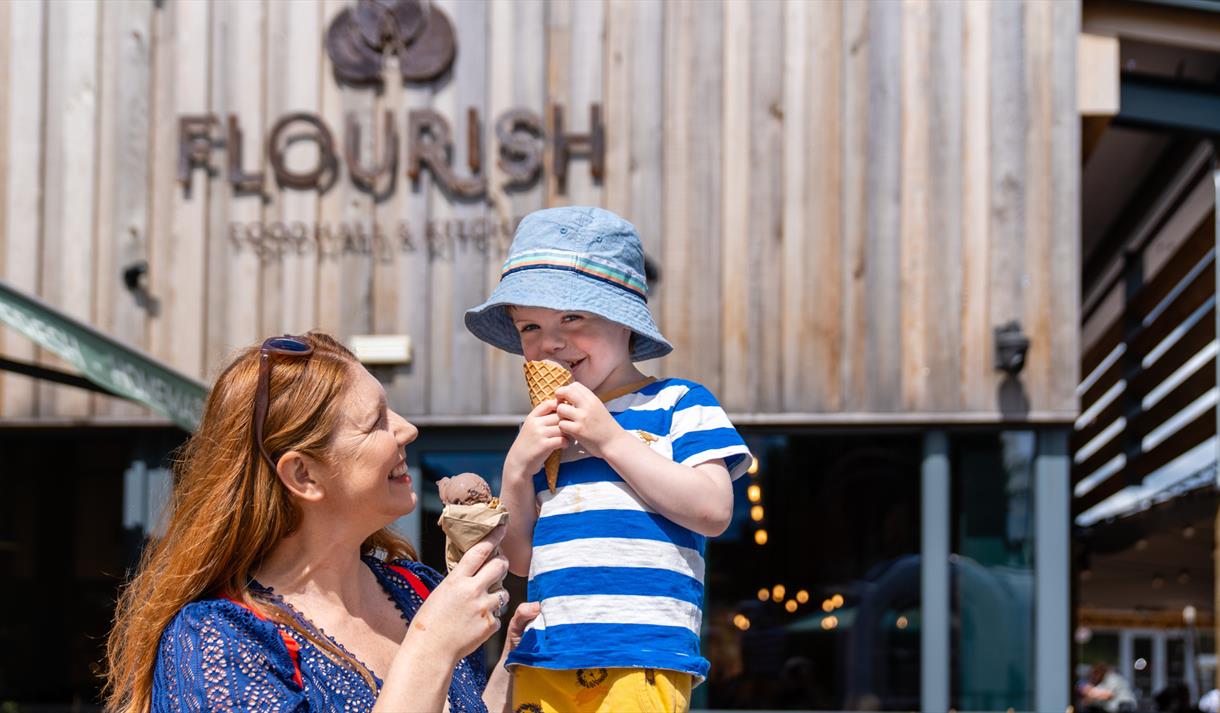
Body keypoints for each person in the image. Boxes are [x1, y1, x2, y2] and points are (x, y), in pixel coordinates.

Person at [104, 331, 538, 712]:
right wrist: (431, 649)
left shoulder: (419, 590)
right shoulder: (216, 640)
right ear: (303, 475)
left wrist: (510, 671)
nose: (407, 430)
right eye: (376, 423)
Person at [464, 206, 753, 712]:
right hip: (543, 651)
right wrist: (516, 470)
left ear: (624, 319)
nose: (550, 341)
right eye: (529, 326)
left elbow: (713, 511)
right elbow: (524, 559)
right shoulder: (543, 429)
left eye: (572, 317)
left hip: (639, 652)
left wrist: (612, 441)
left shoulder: (679, 403)